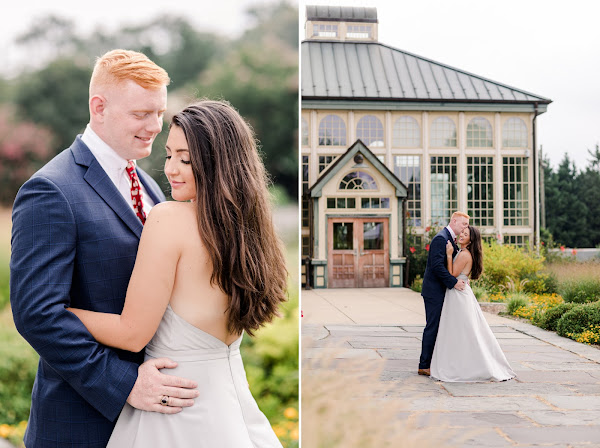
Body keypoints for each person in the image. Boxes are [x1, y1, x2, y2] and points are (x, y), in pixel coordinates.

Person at [66, 99, 287, 447]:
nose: (171, 169)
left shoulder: (169, 218)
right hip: (233, 411)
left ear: (220, 163)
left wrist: (63, 312)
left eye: (186, 159)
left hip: (175, 413)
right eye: (169, 155)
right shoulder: (250, 232)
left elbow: (131, 333)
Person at [10, 49, 199, 448]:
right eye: (141, 114)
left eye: (159, 113)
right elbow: (36, 315)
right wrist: (125, 383)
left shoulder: (148, 186)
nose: (154, 126)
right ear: (99, 107)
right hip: (81, 424)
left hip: (156, 422)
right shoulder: (51, 190)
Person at [430, 226, 516, 382]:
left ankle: (469, 365)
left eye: (466, 234)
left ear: (471, 240)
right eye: (462, 232)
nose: (462, 234)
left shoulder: (464, 255)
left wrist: (449, 255)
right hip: (459, 294)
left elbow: (452, 274)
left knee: (462, 331)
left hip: (458, 296)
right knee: (463, 330)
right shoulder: (464, 253)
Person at [418, 211, 469, 376]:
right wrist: (454, 283)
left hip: (441, 291)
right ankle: (424, 365)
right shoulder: (441, 238)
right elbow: (437, 267)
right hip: (434, 291)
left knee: (440, 327)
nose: (465, 228)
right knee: (432, 327)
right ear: (454, 221)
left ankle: (434, 362)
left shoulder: (450, 238)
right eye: (463, 224)